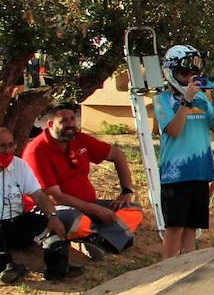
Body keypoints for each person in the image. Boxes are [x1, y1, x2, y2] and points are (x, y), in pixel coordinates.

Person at [23, 101, 141, 259]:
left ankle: (97, 239)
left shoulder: (79, 139)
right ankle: (107, 237)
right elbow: (54, 197)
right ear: (50, 124)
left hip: (88, 204)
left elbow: (117, 154)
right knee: (77, 220)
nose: (71, 124)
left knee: (134, 210)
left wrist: (126, 191)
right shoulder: (36, 151)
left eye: (73, 119)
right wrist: (96, 210)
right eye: (64, 121)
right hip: (53, 209)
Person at [154, 45, 214, 260]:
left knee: (191, 228)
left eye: (193, 74)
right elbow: (174, 131)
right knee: (174, 226)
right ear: (171, 72)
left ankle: (187, 269)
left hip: (200, 171)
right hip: (176, 173)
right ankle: (167, 271)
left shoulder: (202, 99)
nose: (189, 78)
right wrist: (185, 101)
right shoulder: (162, 101)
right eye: (184, 74)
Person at [0, 127, 73, 282]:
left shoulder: (20, 166)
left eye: (10, 145)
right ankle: (6, 267)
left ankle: (58, 267)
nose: (7, 150)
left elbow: (39, 195)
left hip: (15, 223)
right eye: (2, 146)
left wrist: (53, 216)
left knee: (47, 223)